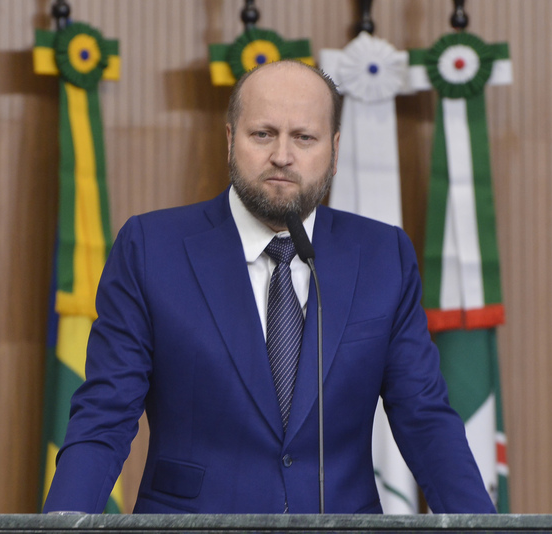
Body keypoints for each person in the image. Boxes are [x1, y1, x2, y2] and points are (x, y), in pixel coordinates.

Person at [43, 60, 495, 514]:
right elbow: (104, 417)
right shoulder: (150, 249)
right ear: (230, 140)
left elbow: (425, 420)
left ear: (335, 150)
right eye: (263, 134)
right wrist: (62, 526)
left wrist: (485, 530)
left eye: (304, 137)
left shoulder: (382, 257)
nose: (282, 155)